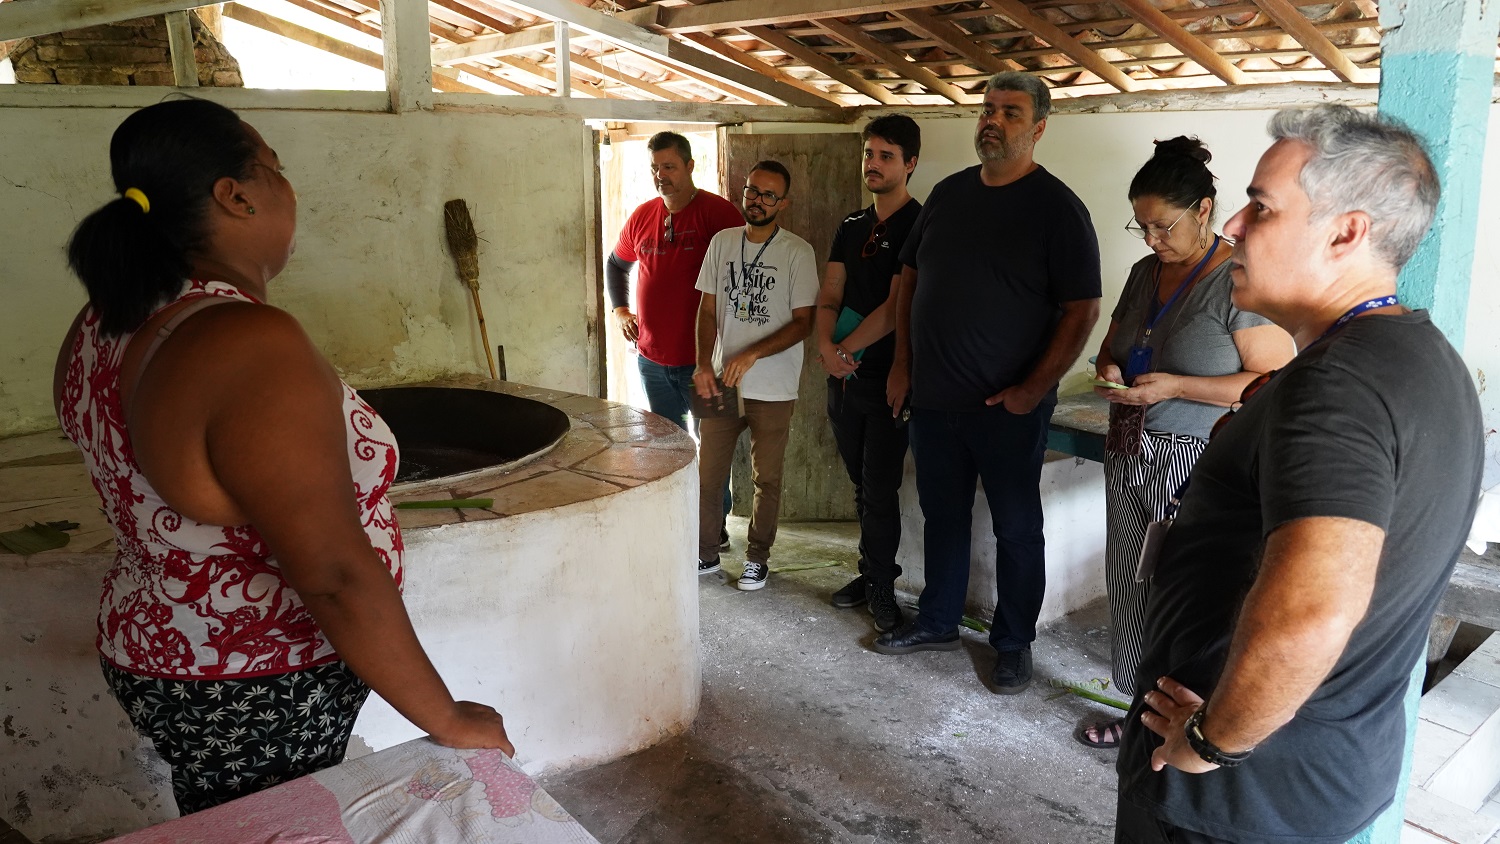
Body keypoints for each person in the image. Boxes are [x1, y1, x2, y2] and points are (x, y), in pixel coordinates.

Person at [53, 98, 512, 815]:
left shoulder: (106, 319)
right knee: (278, 829)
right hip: (258, 680)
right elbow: (330, 574)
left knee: (230, 823)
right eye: (276, 168)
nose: (286, 186)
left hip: (156, 649)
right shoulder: (248, 343)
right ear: (235, 195)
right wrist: (447, 717)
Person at [1115, 105, 1482, 843]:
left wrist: (1216, 741)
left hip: (1236, 797)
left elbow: (1312, 609)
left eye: (1261, 207)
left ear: (1346, 232)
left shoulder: (1336, 386)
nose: (1237, 228)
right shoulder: (1422, 358)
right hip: (1316, 774)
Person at [874, 71, 1102, 697]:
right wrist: (902, 365)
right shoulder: (947, 196)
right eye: (987, 109)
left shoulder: (1058, 209)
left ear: (1038, 128)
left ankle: (1013, 643)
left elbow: (1082, 308)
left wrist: (1033, 389)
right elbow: (910, 282)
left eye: (1009, 111)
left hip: (1008, 408)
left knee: (1016, 528)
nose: (993, 121)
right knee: (942, 516)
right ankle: (940, 621)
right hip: (934, 398)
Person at [1076, 138, 1293, 750]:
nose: (1150, 240)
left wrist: (1177, 386)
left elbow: (1267, 382)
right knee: (1129, 579)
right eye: (1141, 226)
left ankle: (1191, 718)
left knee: (1183, 587)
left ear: (1203, 210)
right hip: (1130, 443)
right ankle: (1137, 706)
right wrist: (1112, 372)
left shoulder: (1235, 280)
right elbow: (1113, 346)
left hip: (1194, 460)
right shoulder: (1146, 273)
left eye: (1163, 226)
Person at [607, 132, 743, 547]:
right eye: (654, 168)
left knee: (713, 446)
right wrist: (621, 310)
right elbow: (616, 265)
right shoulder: (642, 216)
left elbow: (743, 274)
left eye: (669, 166)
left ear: (688, 166)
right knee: (667, 444)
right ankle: (677, 519)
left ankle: (713, 527)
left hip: (706, 363)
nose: (660, 175)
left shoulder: (719, 214)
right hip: (652, 360)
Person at [814, 115, 922, 633]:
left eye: (886, 156)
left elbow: (895, 306)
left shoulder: (918, 225)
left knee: (879, 489)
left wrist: (845, 349)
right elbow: (831, 292)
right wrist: (824, 348)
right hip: (843, 379)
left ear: (910, 164)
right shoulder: (851, 224)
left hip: (886, 380)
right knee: (861, 485)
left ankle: (882, 586)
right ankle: (869, 570)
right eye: (869, 154)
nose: (873, 164)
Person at [693, 160, 818, 590]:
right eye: (752, 191)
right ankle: (705, 554)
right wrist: (703, 362)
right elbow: (707, 309)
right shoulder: (722, 243)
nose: (758, 200)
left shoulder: (797, 252)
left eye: (768, 195)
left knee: (767, 478)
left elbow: (804, 322)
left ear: (783, 202)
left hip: (774, 385)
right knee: (708, 475)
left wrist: (752, 354)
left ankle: (757, 557)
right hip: (720, 381)